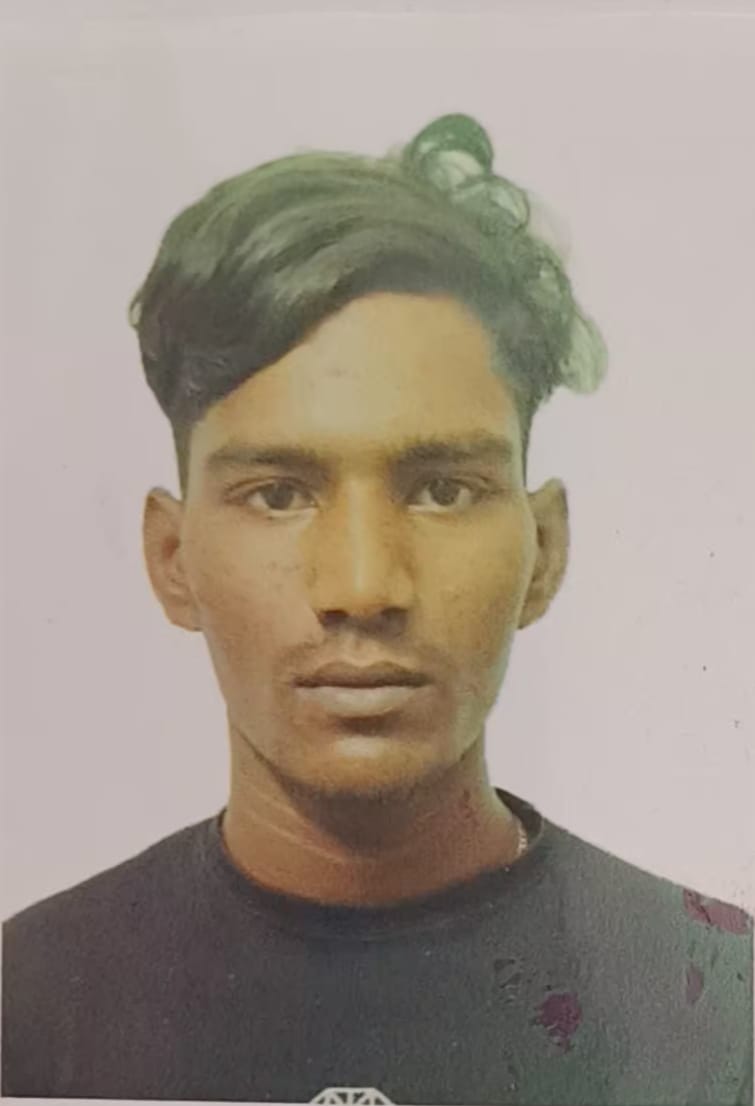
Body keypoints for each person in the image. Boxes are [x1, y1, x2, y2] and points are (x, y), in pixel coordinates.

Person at [2, 113, 751, 1106]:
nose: (361, 585)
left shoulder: (724, 1011)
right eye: (278, 492)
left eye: (441, 488)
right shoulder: (25, 1006)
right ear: (172, 559)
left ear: (543, 550)